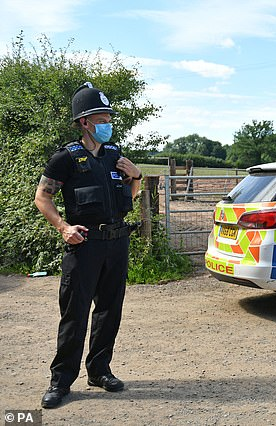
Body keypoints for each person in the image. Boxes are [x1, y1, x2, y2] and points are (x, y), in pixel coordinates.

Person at [34, 82, 143, 409]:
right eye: (102, 116)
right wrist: (63, 227)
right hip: (84, 247)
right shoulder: (66, 158)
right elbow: (43, 197)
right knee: (75, 314)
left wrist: (136, 177)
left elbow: (130, 197)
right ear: (84, 122)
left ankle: (99, 370)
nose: (108, 121)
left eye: (109, 115)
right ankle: (61, 380)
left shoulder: (115, 156)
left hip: (116, 244)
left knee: (110, 311)